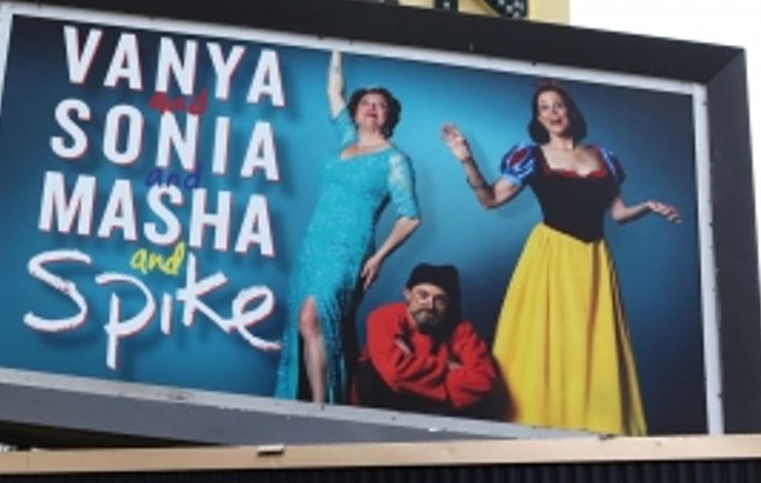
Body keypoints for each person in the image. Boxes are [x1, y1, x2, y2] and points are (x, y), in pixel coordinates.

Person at [442, 82, 680, 435]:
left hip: (593, 262)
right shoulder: (530, 155)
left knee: (591, 344)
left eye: (558, 105)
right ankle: (539, 423)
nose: (553, 113)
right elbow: (490, 199)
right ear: (538, 118)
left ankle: (595, 425)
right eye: (545, 108)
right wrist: (466, 159)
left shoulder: (604, 157)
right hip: (551, 259)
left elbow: (618, 213)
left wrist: (646, 207)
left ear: (571, 110)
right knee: (544, 343)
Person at [275, 50, 420, 404]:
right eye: (366, 103)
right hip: (314, 246)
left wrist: (380, 257)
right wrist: (337, 47)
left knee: (314, 316)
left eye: (380, 105)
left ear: (389, 117)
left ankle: (321, 407)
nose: (371, 107)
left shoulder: (395, 160)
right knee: (304, 324)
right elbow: (333, 90)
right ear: (355, 114)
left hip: (349, 249)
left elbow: (410, 216)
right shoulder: (345, 141)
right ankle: (305, 403)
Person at [351, 262, 497, 415]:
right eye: (423, 295)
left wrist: (412, 366)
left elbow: (484, 382)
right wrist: (448, 367)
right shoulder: (383, 317)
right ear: (407, 294)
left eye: (440, 300)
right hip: (373, 414)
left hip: (430, 419)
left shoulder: (462, 330)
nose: (430, 305)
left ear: (449, 305)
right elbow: (395, 373)